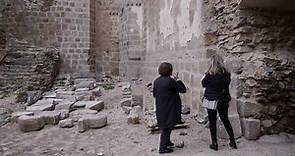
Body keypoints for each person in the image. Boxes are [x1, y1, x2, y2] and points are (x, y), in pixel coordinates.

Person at [201, 54, 237, 151]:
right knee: (225, 119)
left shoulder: (209, 75)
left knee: (212, 121)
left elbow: (203, 84)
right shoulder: (227, 74)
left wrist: (206, 75)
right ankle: (233, 141)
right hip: (223, 99)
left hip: (211, 100)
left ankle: (215, 143)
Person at [153, 62, 187, 154]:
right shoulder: (170, 81)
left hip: (161, 107)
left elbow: (154, 94)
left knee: (167, 126)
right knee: (167, 128)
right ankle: (162, 148)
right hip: (170, 107)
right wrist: (178, 80)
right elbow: (183, 90)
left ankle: (167, 142)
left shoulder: (156, 81)